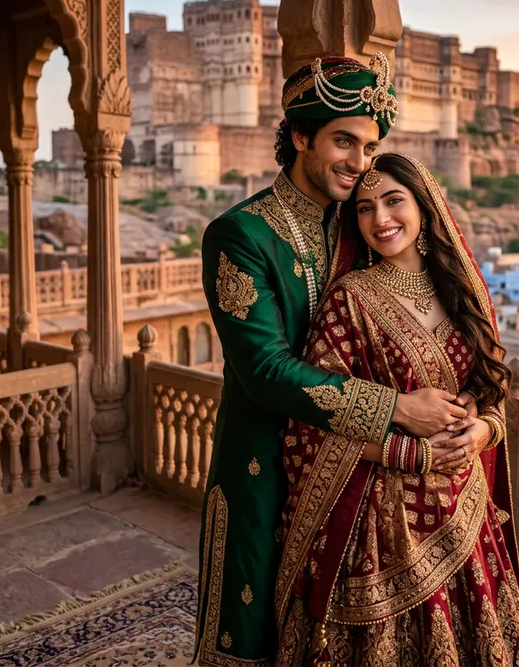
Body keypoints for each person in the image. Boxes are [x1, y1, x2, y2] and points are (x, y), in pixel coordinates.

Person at [194, 55, 476, 666]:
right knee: (247, 637)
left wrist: (472, 414)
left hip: (354, 469)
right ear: (300, 137)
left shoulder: (360, 226)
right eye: (343, 140)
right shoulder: (241, 234)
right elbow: (265, 370)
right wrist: (399, 409)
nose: (359, 161)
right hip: (263, 464)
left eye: (370, 147)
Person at [274, 153, 519, 666]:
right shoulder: (350, 300)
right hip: (379, 523)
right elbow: (311, 422)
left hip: (465, 510)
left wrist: (485, 429)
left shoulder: (461, 288)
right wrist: (407, 452)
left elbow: (491, 389)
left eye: (394, 200)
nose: (380, 219)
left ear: (425, 203)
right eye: (366, 208)